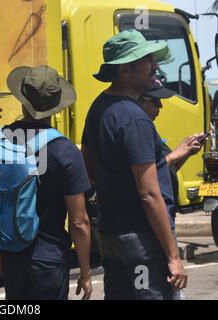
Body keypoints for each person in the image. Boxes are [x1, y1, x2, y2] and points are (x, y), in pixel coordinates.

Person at [81, 29, 188, 300]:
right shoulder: (134, 118)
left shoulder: (98, 108)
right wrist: (174, 257)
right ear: (126, 71)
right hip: (141, 240)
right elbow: (149, 194)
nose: (155, 65)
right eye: (148, 59)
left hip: (111, 236)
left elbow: (88, 168)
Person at [0, 65, 92, 300]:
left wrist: (2, 254)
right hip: (49, 258)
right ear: (56, 107)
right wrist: (85, 273)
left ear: (22, 101)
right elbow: (79, 221)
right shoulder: (64, 151)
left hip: (11, 253)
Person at [137, 80, 205, 220]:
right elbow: (147, 176)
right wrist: (175, 154)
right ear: (142, 101)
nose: (161, 106)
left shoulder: (150, 130)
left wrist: (186, 153)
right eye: (156, 102)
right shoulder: (138, 132)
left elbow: (166, 171)